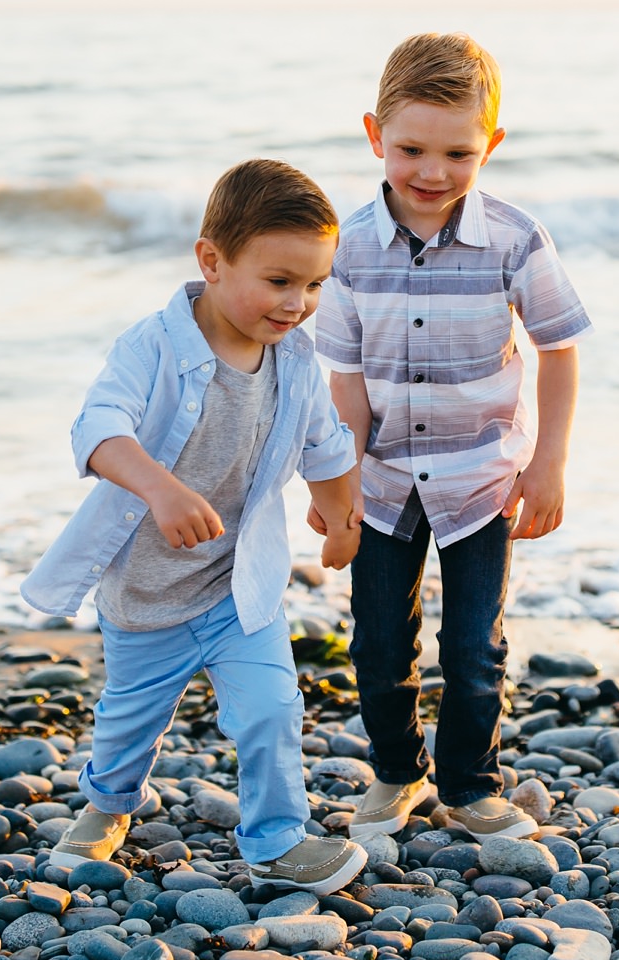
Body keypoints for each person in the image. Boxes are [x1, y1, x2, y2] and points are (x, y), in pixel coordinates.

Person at [22, 158, 369, 892]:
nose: (298, 304)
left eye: (314, 284)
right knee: (127, 727)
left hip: (237, 591)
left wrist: (342, 516)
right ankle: (108, 805)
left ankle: (276, 840)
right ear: (211, 260)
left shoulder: (296, 363)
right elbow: (97, 429)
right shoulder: (151, 346)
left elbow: (328, 445)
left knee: (273, 709)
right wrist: (162, 490)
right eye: (279, 282)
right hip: (147, 594)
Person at [315, 33, 590, 841]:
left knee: (474, 649)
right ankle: (398, 773)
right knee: (375, 646)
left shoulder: (515, 238)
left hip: (482, 479)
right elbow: (345, 381)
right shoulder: (349, 247)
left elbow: (559, 348)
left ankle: (470, 785)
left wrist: (549, 465)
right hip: (383, 483)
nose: (432, 172)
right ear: (375, 135)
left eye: (458, 153)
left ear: (491, 146)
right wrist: (337, 485)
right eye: (411, 149)